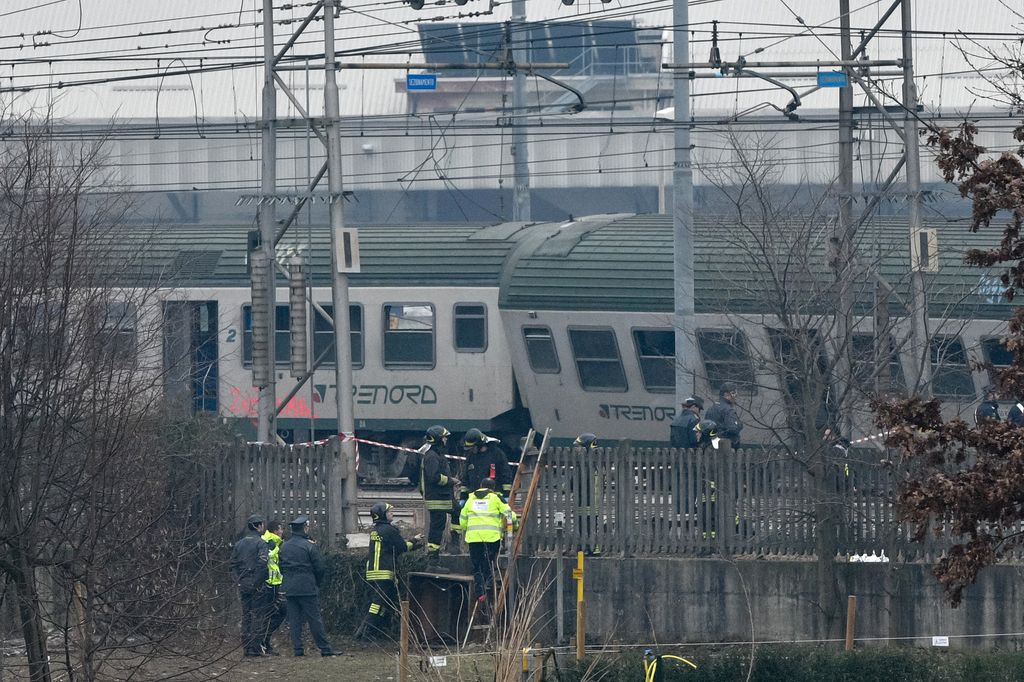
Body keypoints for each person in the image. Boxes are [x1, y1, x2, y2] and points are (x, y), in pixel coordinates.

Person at [359, 502, 424, 640]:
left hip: (372, 572)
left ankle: (370, 631)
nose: (392, 514)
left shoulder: (376, 530)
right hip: (384, 572)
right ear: (383, 514)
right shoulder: (389, 530)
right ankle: (367, 632)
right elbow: (402, 547)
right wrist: (416, 542)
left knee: (381, 603)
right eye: (389, 512)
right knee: (378, 603)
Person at [279, 516, 338, 657]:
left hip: (289, 587)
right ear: (304, 528)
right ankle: (325, 649)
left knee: (294, 620)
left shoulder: (284, 546)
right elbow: (320, 568)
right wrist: (316, 582)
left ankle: (298, 650)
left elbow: (281, 567)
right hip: (307, 587)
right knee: (314, 619)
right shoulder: (309, 545)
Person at [458, 478, 516, 603]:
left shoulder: (470, 499)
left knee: (477, 565)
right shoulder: (496, 498)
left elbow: (462, 520)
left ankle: (480, 593)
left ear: (480, 486)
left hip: (474, 538)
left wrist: (467, 528)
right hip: (492, 537)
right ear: (493, 488)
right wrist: (515, 525)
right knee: (489, 561)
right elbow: (510, 514)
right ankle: (489, 584)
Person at [417, 425, 459, 572]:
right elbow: (434, 477)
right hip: (437, 498)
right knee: (437, 529)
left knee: (457, 511)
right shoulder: (431, 456)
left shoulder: (436, 454)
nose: (446, 439)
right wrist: (450, 480)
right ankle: (433, 563)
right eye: (444, 437)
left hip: (444, 497)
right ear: (438, 439)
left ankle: (455, 544)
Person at [229, 514, 270, 657]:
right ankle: (255, 648)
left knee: (246, 615)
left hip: (243, 583)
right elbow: (263, 564)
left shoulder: (239, 544)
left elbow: (232, 565)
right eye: (262, 525)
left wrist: (238, 581)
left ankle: (246, 648)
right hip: (257, 584)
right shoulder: (261, 543)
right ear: (258, 526)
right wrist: (256, 582)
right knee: (258, 616)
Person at [258, 520, 287, 656]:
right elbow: (267, 558)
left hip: (273, 583)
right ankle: (262, 643)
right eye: (281, 529)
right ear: (276, 530)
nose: (282, 532)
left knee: (277, 613)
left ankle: (264, 642)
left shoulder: (273, 541)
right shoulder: (270, 541)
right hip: (269, 584)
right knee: (270, 614)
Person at [571, 433, 602, 556]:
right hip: (587, 499)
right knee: (587, 524)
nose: (576, 450)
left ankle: (591, 548)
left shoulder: (587, 464)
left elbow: (578, 481)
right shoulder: (594, 462)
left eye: (579, 448)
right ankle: (587, 547)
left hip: (588, 500)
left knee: (588, 525)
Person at [705, 383, 743, 448]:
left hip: (710, 446)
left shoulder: (711, 408)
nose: (736, 396)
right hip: (725, 448)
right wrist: (739, 425)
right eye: (733, 393)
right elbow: (733, 429)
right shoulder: (728, 410)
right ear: (726, 394)